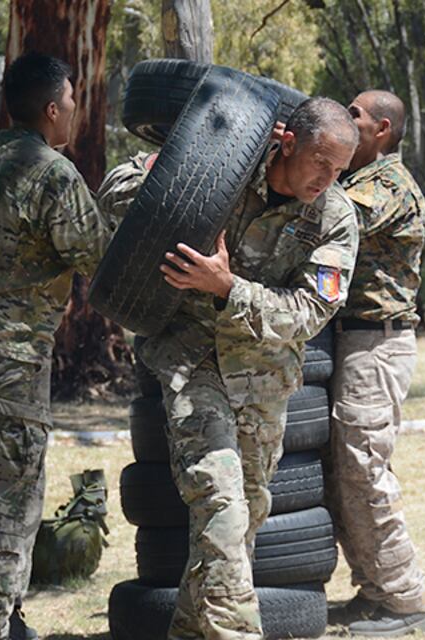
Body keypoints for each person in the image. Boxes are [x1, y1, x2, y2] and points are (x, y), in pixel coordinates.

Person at [98, 97, 359, 639]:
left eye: (339, 169)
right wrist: (171, 165)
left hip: (263, 382)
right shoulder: (226, 164)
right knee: (220, 502)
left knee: (241, 524)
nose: (327, 179)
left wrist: (227, 287)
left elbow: (309, 313)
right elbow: (115, 193)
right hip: (191, 363)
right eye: (320, 162)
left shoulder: (336, 216)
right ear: (286, 141)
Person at [0, 52, 115, 639]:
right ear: (52, 109)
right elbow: (96, 257)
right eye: (72, 101)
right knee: (13, 498)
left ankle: (5, 616)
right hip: (14, 357)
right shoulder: (52, 172)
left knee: (0, 481)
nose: (76, 111)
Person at [326, 90, 425, 636]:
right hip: (350, 342)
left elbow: (325, 219)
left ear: (383, 130)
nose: (347, 122)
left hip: (377, 344)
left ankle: (408, 601)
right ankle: (374, 590)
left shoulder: (388, 188)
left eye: (354, 116)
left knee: (365, 470)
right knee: (342, 475)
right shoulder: (352, 180)